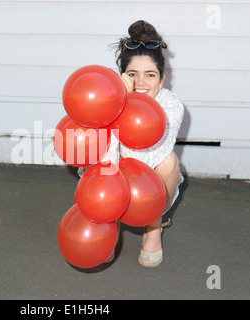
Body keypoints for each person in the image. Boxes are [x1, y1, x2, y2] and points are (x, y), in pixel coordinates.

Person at [79, 20, 184, 268]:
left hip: (149, 184)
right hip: (111, 172)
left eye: (150, 75)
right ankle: (106, 224)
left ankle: (153, 227)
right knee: (98, 157)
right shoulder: (109, 99)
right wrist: (119, 104)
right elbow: (103, 156)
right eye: (132, 74)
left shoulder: (171, 106)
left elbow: (149, 158)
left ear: (162, 79)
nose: (141, 82)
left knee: (169, 162)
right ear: (121, 77)